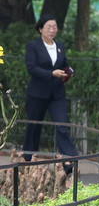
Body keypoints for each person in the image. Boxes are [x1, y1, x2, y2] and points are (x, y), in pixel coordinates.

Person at [22, 14, 79, 176]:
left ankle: (70, 160)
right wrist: (51, 73)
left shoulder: (59, 46)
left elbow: (65, 64)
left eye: (54, 27)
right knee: (33, 126)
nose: (52, 30)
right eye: (48, 27)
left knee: (62, 126)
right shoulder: (33, 46)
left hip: (57, 94)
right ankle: (28, 160)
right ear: (40, 29)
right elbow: (31, 68)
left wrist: (69, 72)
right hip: (37, 93)